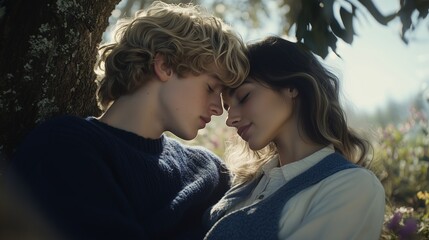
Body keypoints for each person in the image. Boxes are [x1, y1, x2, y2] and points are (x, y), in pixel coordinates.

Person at [6, 1, 249, 240]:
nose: (219, 109)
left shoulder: (210, 170)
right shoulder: (64, 146)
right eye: (210, 88)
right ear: (164, 65)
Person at [204, 36, 385, 240]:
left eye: (244, 97)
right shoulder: (247, 183)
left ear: (291, 87)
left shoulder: (352, 186)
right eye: (228, 108)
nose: (230, 119)